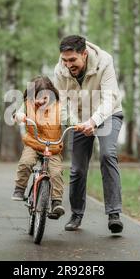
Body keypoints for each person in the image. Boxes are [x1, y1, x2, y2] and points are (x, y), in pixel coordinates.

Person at [54, 35, 124, 233]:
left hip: (109, 114)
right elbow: (62, 103)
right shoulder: (59, 69)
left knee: (107, 154)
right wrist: (78, 124)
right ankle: (76, 214)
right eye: (64, 60)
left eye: (72, 60)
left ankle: (114, 213)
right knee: (77, 168)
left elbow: (110, 98)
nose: (68, 65)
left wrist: (93, 121)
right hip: (80, 117)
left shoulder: (105, 61)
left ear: (84, 54)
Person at [12, 76, 66, 219]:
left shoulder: (60, 107)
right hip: (33, 144)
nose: (41, 101)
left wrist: (78, 124)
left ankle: (56, 201)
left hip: (53, 147)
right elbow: (17, 114)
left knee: (56, 172)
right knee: (26, 162)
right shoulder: (27, 104)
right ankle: (19, 188)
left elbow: (69, 117)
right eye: (37, 97)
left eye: (45, 98)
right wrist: (19, 116)